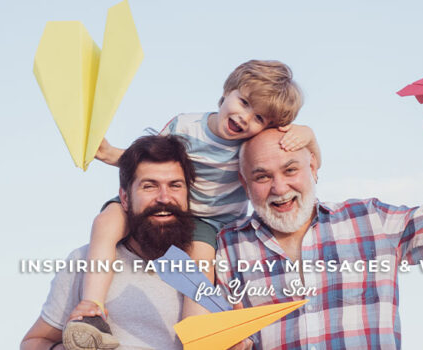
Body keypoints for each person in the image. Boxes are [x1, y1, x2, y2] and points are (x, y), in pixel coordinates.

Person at [69, 60, 322, 337]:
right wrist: (109, 154)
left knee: (200, 266)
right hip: (168, 205)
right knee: (106, 221)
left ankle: (197, 336)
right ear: (227, 91)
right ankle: (91, 309)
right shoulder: (185, 126)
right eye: (245, 103)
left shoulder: (250, 145)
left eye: (259, 118)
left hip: (212, 222)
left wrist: (307, 134)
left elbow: (310, 158)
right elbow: (151, 163)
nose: (245, 118)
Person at [215, 97, 423, 349]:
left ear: (312, 167)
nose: (279, 187)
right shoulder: (228, 249)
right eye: (262, 177)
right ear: (245, 183)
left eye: (290, 170)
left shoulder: (369, 220)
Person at [21, 135, 252, 350]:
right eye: (149, 186)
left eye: (175, 185)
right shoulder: (85, 261)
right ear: (124, 198)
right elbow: (34, 341)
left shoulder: (218, 268)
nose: (164, 197)